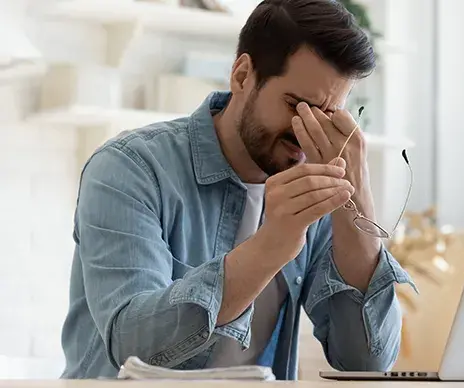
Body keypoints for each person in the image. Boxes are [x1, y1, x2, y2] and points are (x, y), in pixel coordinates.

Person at [60, 0, 415, 380]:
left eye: (327, 116)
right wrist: (271, 245)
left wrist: (357, 202)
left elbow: (367, 363)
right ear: (243, 75)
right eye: (296, 105)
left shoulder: (319, 191)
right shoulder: (130, 168)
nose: (305, 132)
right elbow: (132, 346)